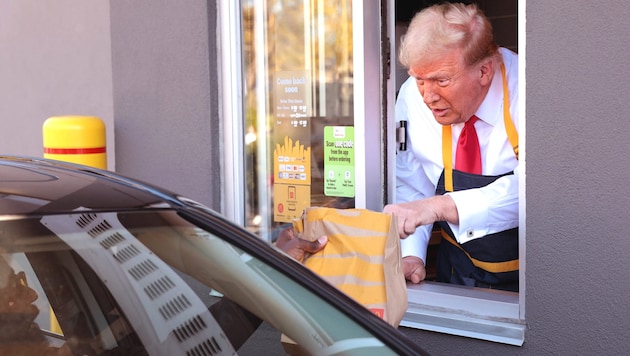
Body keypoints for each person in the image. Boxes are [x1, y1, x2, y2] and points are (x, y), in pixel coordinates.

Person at [383, 2, 519, 291]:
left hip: (529, 283)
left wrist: (439, 207)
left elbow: (535, 193)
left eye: (441, 80)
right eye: (419, 79)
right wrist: (410, 255)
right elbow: (412, 181)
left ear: (484, 72)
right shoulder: (412, 95)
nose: (428, 96)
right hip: (455, 268)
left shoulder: (529, 90)